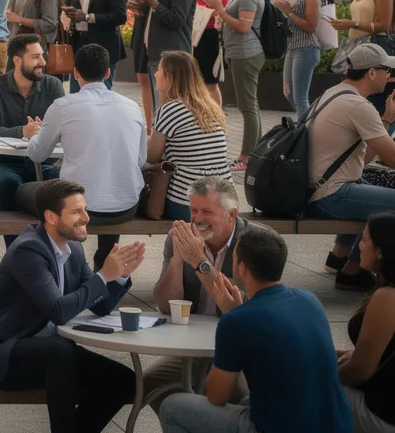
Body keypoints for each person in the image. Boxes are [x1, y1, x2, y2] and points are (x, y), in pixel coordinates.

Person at [0, 180, 140, 433]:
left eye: (85, 210)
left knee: (125, 381)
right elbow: (58, 311)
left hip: (50, 356)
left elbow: (100, 307)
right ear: (50, 216)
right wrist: (102, 276)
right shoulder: (29, 250)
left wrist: (118, 276)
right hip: (3, 353)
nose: (86, 218)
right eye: (76, 212)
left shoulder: (74, 249)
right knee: (61, 350)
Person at [158, 224, 351, 433]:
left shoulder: (237, 321)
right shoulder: (310, 301)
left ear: (242, 268)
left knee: (171, 406)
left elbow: (216, 395)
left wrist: (233, 319)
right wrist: (236, 310)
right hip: (334, 425)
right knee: (246, 402)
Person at [21, 44, 145, 271]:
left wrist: (32, 134)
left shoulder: (62, 106)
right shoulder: (132, 107)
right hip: (126, 206)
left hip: (78, 209)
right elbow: (139, 160)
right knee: (106, 181)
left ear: (75, 73)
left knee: (22, 191)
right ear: (107, 73)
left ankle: (52, 259)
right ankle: (104, 258)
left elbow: (37, 154)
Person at [146, 177, 248, 408]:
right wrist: (177, 261)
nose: (198, 219)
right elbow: (164, 305)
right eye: (193, 210)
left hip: (238, 349)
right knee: (148, 385)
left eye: (207, 212)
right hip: (191, 345)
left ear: (231, 214)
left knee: (243, 401)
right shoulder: (179, 236)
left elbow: (245, 306)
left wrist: (198, 260)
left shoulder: (254, 241)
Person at [306, 43, 395, 290]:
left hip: (321, 187)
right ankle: (358, 269)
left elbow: (360, 161)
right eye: (386, 70)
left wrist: (387, 119)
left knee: (366, 183)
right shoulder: (358, 106)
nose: (389, 76)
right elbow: (392, 158)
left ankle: (345, 261)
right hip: (330, 194)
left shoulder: (333, 93)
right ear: (371, 73)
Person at [0, 34, 63, 230]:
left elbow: (64, 128)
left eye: (42, 56)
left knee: (59, 182)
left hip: (45, 160)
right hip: (7, 162)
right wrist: (23, 130)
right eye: (36, 57)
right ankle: (15, 250)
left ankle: (50, 246)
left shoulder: (53, 86)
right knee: (6, 183)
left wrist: (45, 130)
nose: (43, 62)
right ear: (17, 60)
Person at [202, 0, 268, 171]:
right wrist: (223, 17)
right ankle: (253, 152)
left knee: (248, 106)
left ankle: (246, 157)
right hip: (241, 53)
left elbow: (244, 26)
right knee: (251, 105)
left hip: (246, 54)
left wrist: (220, 9)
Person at [145, 49, 230, 220]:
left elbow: (151, 156)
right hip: (224, 199)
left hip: (188, 201)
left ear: (169, 77)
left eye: (159, 71)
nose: (155, 74)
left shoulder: (170, 109)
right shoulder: (210, 106)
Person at [340, 214, 395, 433]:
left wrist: (321, 374)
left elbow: (360, 371)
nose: (358, 245)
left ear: (380, 251)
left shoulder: (387, 297)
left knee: (298, 384)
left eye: (363, 239)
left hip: (381, 415)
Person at [131, 0, 196, 100]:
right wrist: (143, 6)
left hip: (171, 57)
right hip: (157, 55)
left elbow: (176, 20)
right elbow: (159, 10)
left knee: (170, 105)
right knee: (160, 105)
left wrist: (151, 0)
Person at [283, 0, 325, 116]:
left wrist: (289, 12)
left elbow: (310, 26)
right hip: (293, 47)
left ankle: (306, 133)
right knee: (288, 93)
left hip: (306, 47)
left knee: (300, 98)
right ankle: (307, 125)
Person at [192, 0, 230, 106]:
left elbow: (222, 11)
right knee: (196, 79)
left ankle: (217, 117)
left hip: (209, 33)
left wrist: (207, 11)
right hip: (195, 33)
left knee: (210, 81)